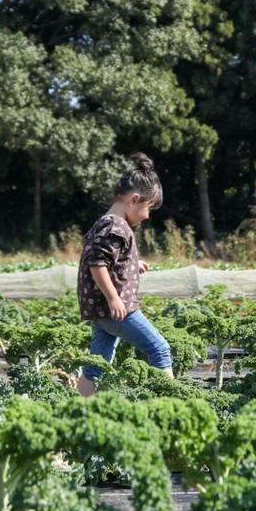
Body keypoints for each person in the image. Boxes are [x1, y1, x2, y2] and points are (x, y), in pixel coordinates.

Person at [75, 153, 173, 396]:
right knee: (159, 349)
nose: (148, 216)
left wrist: (132, 263)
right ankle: (172, 404)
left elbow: (108, 259)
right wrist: (113, 298)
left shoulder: (106, 223)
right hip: (118, 310)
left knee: (97, 364)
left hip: (102, 313)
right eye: (148, 208)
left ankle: (81, 406)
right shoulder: (116, 225)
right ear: (135, 199)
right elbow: (97, 264)